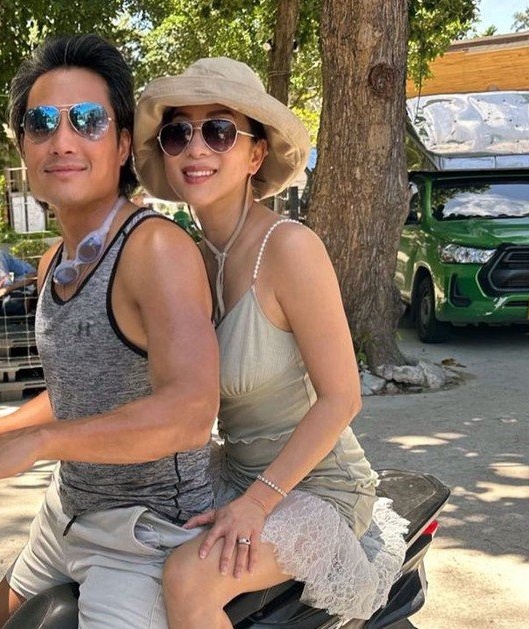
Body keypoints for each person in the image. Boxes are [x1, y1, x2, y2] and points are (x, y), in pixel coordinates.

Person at [0, 34, 220, 628]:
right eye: (41, 122)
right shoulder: (55, 260)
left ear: (122, 144)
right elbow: (76, 395)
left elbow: (190, 414)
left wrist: (35, 445)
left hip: (145, 535)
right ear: (23, 146)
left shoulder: (155, 249)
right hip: (68, 511)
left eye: (88, 120)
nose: (63, 140)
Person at [132, 57, 410, 626]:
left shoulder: (289, 248)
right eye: (178, 133)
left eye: (219, 130)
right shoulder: (187, 256)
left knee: (187, 577)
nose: (195, 147)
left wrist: (258, 502)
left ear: (256, 155)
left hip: (317, 486)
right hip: (232, 473)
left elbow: (342, 398)